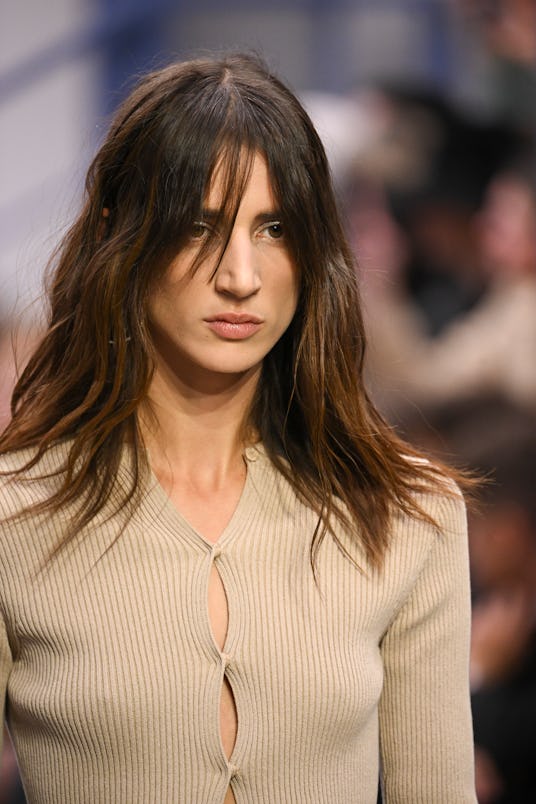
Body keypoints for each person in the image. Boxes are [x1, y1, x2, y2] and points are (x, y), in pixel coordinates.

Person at [0, 53, 476, 803]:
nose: (241, 276)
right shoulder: (15, 515)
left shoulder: (408, 517)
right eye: (199, 227)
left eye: (275, 228)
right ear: (114, 233)